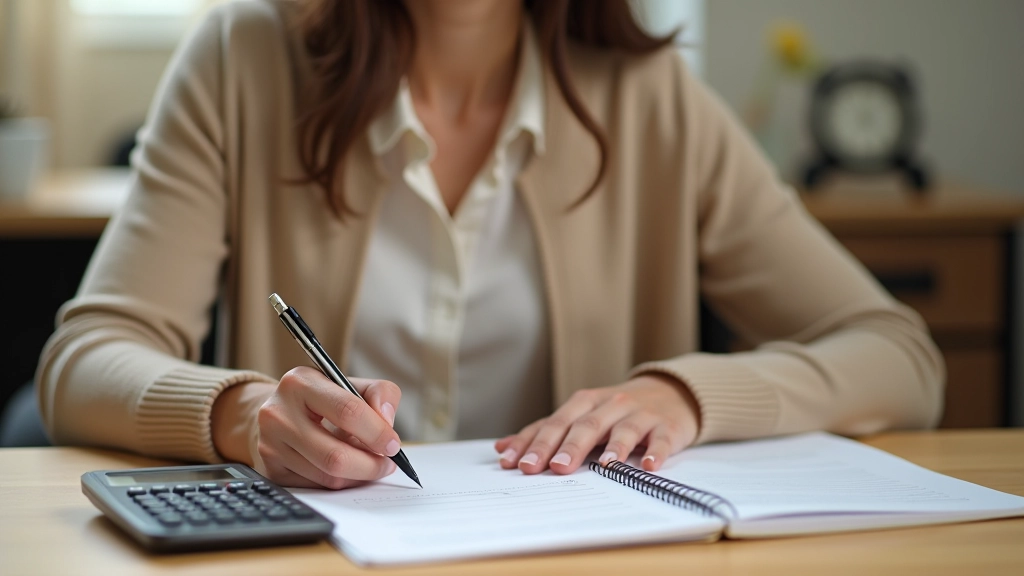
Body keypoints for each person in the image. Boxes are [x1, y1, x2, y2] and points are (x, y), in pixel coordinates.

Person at [36, 0, 944, 490]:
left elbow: (900, 356)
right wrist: (243, 419)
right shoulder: (240, 59)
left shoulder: (650, 96)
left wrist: (680, 395)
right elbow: (84, 361)